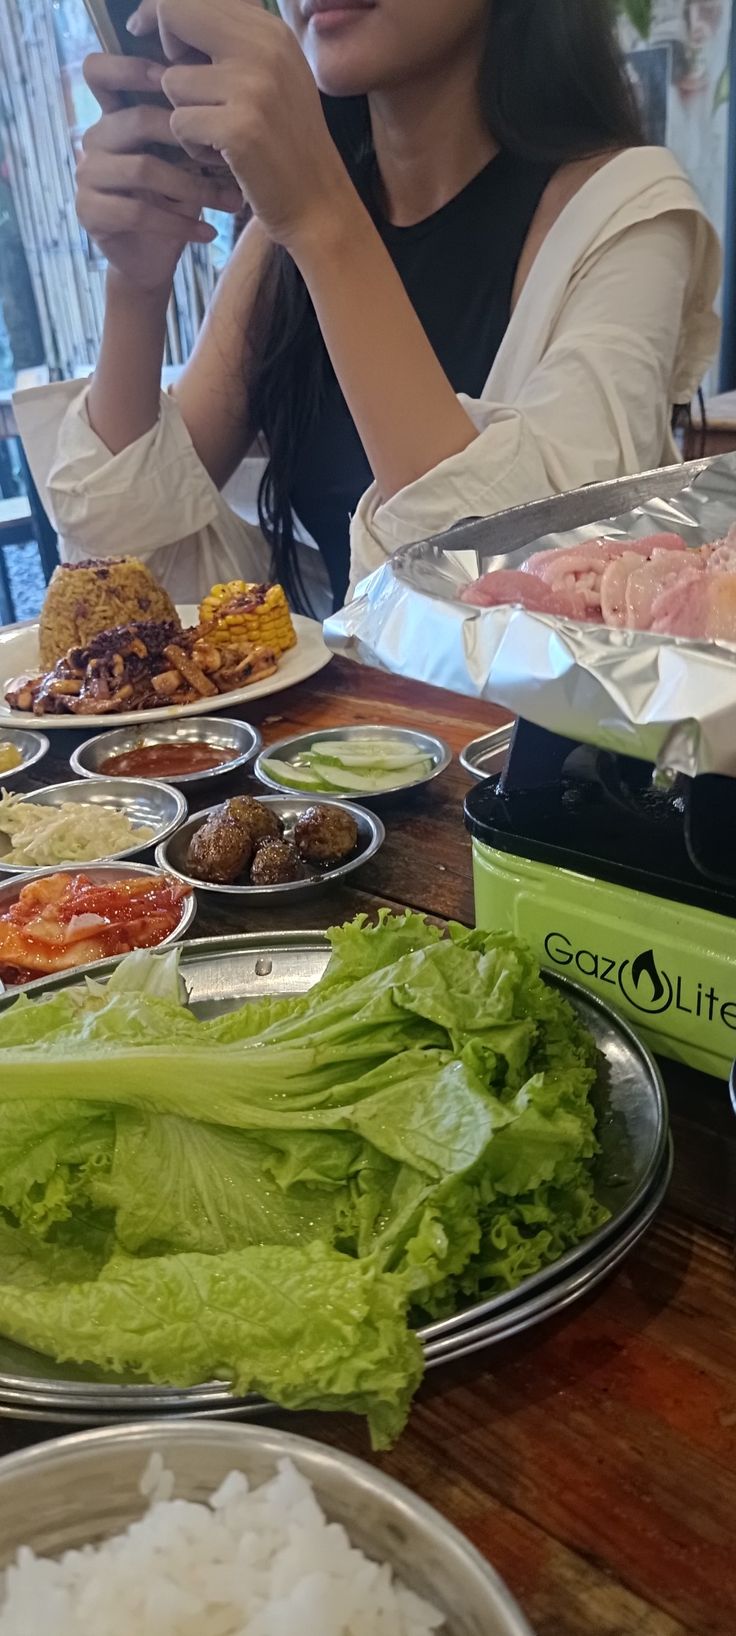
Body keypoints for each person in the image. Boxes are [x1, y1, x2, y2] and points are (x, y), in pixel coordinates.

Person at [48, 0, 720, 617]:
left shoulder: (628, 209)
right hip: (334, 741)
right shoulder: (279, 244)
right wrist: (135, 286)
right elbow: (120, 584)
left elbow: (543, 603)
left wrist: (321, 217)